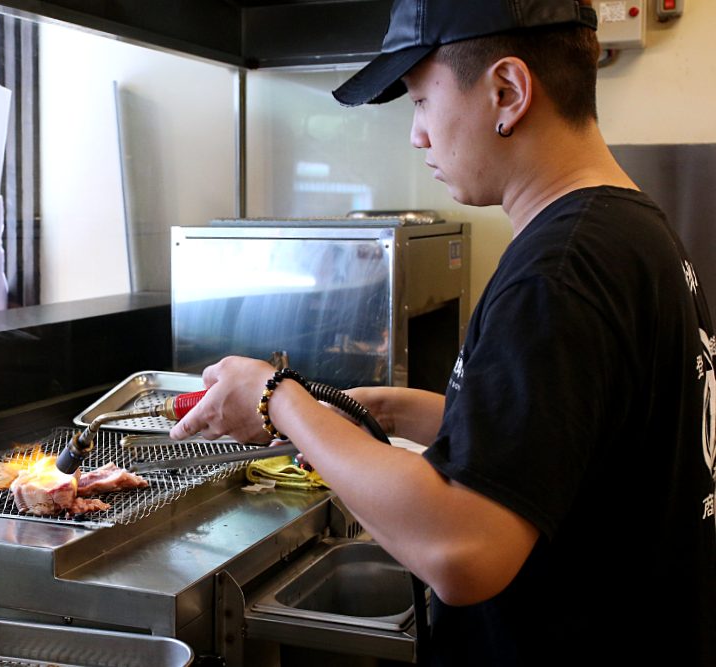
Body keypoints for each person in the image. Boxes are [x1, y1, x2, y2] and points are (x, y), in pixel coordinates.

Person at [169, 0, 716, 664]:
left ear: (507, 92)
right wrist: (389, 409)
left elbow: (462, 549)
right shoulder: (630, 233)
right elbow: (564, 442)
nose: (416, 135)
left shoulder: (560, 270)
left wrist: (277, 397)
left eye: (423, 100)